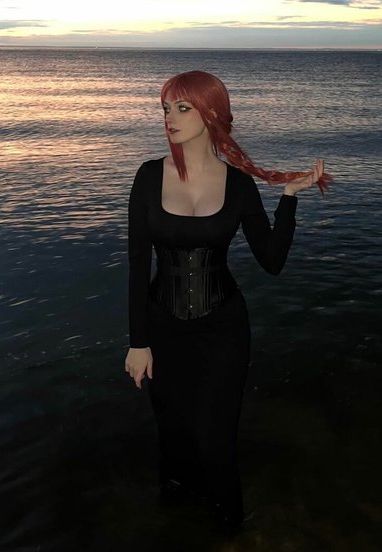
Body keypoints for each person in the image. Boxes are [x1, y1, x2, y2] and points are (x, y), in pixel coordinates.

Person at [124, 70, 331, 532]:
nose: (170, 118)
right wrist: (138, 343)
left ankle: (228, 527)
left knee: (216, 437)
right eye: (166, 108)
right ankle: (175, 523)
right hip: (162, 327)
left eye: (183, 108)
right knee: (173, 433)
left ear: (211, 113)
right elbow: (138, 266)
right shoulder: (148, 176)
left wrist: (289, 198)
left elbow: (271, 261)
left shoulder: (238, 185)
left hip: (223, 330)